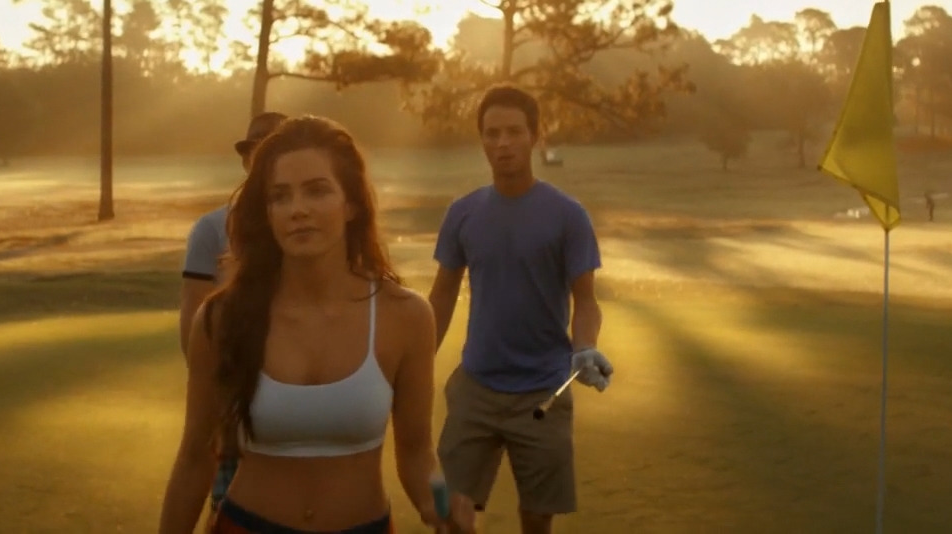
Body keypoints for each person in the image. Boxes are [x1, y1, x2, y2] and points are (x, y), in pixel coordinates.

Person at [159, 116, 476, 534]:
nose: (298, 210)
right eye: (280, 196)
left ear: (352, 204)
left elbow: (417, 453)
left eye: (317, 190)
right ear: (267, 213)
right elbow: (195, 457)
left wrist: (442, 503)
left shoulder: (407, 317)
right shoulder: (222, 319)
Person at [427, 84, 613, 534]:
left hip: (543, 392)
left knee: (536, 519)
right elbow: (442, 296)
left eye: (513, 132)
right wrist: (413, 362)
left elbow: (586, 300)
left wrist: (584, 348)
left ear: (535, 135)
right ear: (482, 140)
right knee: (449, 514)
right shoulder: (463, 213)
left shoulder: (568, 215)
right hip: (475, 387)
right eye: (492, 134)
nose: (502, 143)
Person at [179, 111, 287, 514]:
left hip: (301, 395)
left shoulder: (309, 225)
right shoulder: (212, 230)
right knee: (232, 510)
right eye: (252, 152)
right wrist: (218, 397)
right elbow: (195, 323)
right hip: (236, 400)